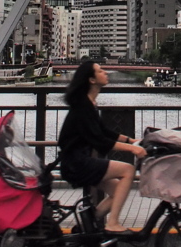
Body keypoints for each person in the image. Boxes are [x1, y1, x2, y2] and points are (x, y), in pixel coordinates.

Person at [58, 61, 146, 232]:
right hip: (77, 164)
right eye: (100, 71)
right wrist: (133, 149)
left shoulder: (88, 103)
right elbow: (99, 140)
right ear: (91, 79)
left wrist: (131, 141)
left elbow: (104, 131)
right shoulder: (83, 106)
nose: (106, 73)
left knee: (117, 190)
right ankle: (112, 223)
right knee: (128, 170)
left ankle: (87, 225)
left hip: (77, 162)